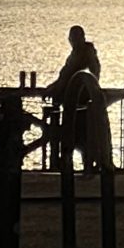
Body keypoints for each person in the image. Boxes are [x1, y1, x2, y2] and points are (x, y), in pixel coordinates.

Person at [48, 23, 102, 171]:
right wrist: (54, 87)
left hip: (82, 102)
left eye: (75, 38)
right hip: (72, 101)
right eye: (71, 38)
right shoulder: (75, 54)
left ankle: (90, 164)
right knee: (74, 135)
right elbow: (65, 74)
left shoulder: (86, 54)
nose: (72, 41)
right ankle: (72, 164)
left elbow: (88, 75)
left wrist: (59, 88)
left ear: (81, 38)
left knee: (82, 135)